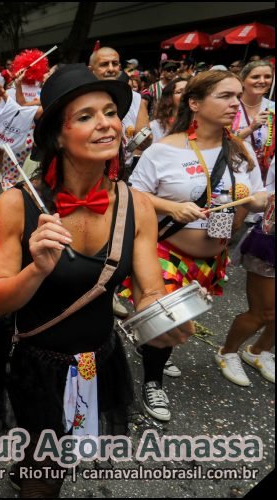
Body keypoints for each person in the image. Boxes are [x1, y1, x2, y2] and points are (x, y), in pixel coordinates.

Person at [0, 64, 191, 497]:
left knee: (68, 449)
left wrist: (164, 319)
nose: (106, 123)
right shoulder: (17, 203)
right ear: (57, 135)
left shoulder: (138, 206)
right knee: (45, 473)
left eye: (110, 112)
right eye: (86, 116)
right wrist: (36, 267)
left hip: (97, 359)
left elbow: (148, 290)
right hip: (35, 361)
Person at [128, 70, 269, 421]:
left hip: (213, 257)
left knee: (180, 320)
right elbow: (132, 195)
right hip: (166, 252)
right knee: (163, 320)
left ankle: (159, 355)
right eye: (224, 96)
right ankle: (152, 383)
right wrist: (170, 206)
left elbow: (256, 191)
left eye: (237, 96)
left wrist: (256, 201)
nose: (235, 103)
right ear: (194, 103)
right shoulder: (163, 151)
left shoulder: (241, 148)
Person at [218, 159, 274, 386]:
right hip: (271, 242)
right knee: (265, 312)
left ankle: (260, 351)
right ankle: (228, 351)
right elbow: (265, 194)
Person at [231, 61, 274, 181]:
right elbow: (221, 142)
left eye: (267, 77)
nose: (262, 81)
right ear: (242, 81)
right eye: (255, 77)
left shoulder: (273, 109)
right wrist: (250, 128)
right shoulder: (230, 106)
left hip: (264, 176)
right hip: (233, 170)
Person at [149, 77, 188, 143]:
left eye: (188, 91)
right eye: (179, 92)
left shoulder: (201, 125)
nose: (185, 94)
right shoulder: (154, 127)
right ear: (169, 98)